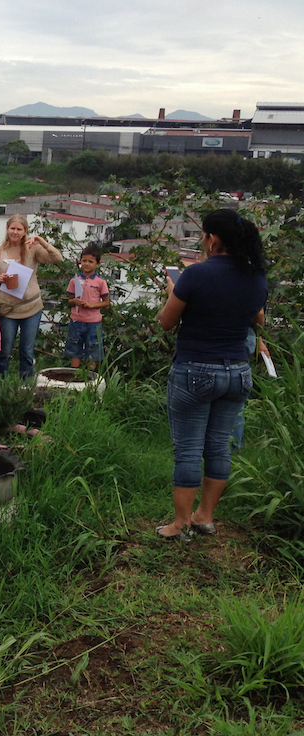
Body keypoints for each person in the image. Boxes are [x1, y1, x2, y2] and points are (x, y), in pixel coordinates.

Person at [155, 209, 268, 541]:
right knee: (219, 445)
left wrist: (172, 292)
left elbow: (166, 322)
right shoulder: (257, 276)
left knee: (188, 449)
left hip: (195, 368)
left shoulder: (195, 275)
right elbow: (257, 320)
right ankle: (204, 517)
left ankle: (179, 525)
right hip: (238, 372)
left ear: (212, 239)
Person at [0, 214, 63, 378]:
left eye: (19, 229)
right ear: (7, 229)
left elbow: (57, 258)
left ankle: (25, 388)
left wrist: (41, 241)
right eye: (12, 228)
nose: (15, 232)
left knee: (27, 351)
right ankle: (1, 387)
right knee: (5, 351)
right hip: (8, 309)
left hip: (32, 307)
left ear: (25, 231)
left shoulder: (33, 249)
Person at [64, 244, 110, 370]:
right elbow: (69, 301)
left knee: (93, 350)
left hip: (93, 322)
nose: (87, 264)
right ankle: (74, 375)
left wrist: (92, 305)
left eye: (91, 261)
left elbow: (106, 302)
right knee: (74, 348)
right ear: (80, 262)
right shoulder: (75, 280)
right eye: (84, 260)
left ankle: (90, 379)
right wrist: (74, 301)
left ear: (97, 264)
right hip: (76, 320)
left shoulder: (101, 282)